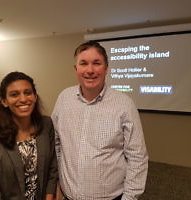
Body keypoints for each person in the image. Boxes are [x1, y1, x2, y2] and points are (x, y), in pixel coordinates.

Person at [52, 41, 148, 200]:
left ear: (106, 68)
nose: (90, 70)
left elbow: (137, 157)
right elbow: (56, 143)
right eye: (83, 63)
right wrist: (58, 182)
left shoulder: (124, 104)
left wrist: (129, 198)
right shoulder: (64, 99)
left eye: (96, 63)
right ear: (76, 69)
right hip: (67, 195)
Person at [0, 71, 58, 200]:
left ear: (35, 97)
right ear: (4, 101)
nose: (23, 99)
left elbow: (52, 167)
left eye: (28, 93)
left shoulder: (46, 125)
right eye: (14, 94)